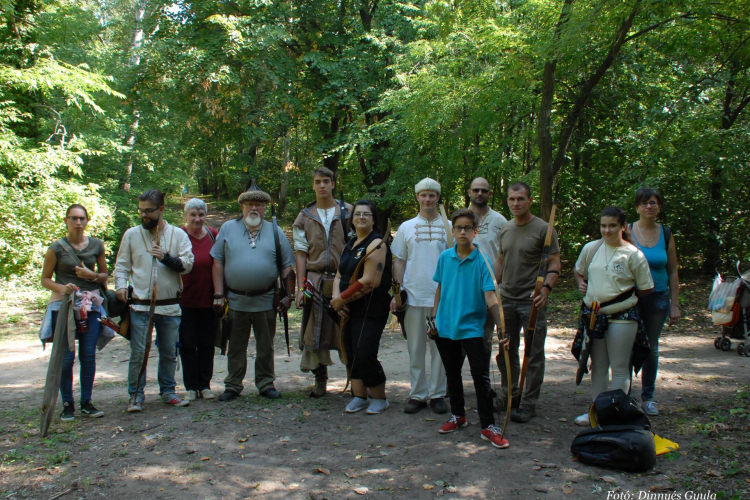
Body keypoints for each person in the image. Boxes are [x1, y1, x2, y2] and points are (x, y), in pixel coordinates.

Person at [431, 208, 509, 449]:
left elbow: (490, 296)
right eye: (458, 228)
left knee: (480, 376)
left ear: (475, 232)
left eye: (467, 228)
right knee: (452, 373)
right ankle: (458, 416)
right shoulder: (445, 257)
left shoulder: (482, 260)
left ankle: (488, 426)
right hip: (445, 327)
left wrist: (500, 325)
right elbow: (440, 288)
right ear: (452, 231)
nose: (462, 231)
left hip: (473, 327)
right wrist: (433, 319)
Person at [211, 183, 295, 401]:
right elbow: (217, 261)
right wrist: (219, 294)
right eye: (250, 204)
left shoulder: (275, 231)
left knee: (265, 346)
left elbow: (287, 266)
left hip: (266, 299)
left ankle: (266, 383)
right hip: (236, 299)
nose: (254, 208)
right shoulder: (228, 228)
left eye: (259, 204)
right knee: (235, 346)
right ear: (242, 207)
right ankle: (233, 384)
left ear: (265, 207)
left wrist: (288, 295)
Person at [114, 190, 194, 412]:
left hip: (169, 305)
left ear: (161, 209)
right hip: (140, 305)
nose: (143, 215)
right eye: (141, 211)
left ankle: (168, 391)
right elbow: (121, 266)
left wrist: (166, 258)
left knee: (169, 351)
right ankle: (136, 396)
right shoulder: (131, 235)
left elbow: (188, 264)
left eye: (149, 211)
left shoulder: (178, 235)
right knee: (139, 352)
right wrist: (120, 286)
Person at [573, 206, 654, 426]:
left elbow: (646, 288)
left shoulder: (633, 254)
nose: (607, 230)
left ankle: (616, 415)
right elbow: (579, 270)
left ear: (623, 227)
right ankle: (598, 413)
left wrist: (623, 298)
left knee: (619, 366)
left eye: (612, 226)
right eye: (603, 225)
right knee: (598, 365)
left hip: (623, 317)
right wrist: (581, 284)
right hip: (594, 317)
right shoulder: (591, 248)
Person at [496, 182, 560, 423]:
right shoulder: (505, 228)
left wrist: (546, 289)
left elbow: (554, 264)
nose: (515, 203)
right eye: (512, 199)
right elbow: (501, 259)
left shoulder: (545, 229)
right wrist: (494, 286)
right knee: (505, 351)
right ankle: (509, 395)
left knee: (533, 354)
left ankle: (529, 403)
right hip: (507, 299)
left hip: (531, 302)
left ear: (530, 200)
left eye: (520, 199)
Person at [40, 204, 109, 421]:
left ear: (87, 220)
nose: (78, 223)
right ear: (66, 220)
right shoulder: (56, 248)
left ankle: (86, 402)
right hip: (64, 308)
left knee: (88, 355)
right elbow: (45, 279)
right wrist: (62, 288)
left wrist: (91, 275)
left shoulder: (97, 245)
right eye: (74, 219)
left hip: (90, 307)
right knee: (67, 357)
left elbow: (105, 276)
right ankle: (67, 404)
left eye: (82, 218)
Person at [390, 178, 449, 415]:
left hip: (441, 298)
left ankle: (437, 394)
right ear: (417, 197)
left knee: (440, 350)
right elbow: (400, 261)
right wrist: (397, 293)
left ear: (438, 198)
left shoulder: (449, 225)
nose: (427, 199)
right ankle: (417, 394)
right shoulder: (405, 227)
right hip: (413, 296)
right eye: (423, 195)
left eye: (432, 195)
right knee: (415, 349)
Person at [293, 167, 352, 398]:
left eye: (326, 181)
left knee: (347, 327)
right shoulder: (305, 216)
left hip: (344, 279)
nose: (322, 186)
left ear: (333, 183)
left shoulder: (348, 212)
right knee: (314, 329)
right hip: (314, 280)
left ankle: (354, 378)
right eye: (318, 182)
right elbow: (301, 254)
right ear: (313, 185)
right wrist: (301, 288)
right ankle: (320, 379)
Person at [330, 200, 392, 415]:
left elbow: (369, 281)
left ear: (374, 220)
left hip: (370, 309)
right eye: (357, 214)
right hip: (348, 309)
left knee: (365, 351)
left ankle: (379, 398)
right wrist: (336, 299)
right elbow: (339, 274)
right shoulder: (351, 244)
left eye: (367, 214)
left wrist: (342, 299)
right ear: (352, 219)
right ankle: (359, 396)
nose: (361, 217)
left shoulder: (377, 244)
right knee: (351, 351)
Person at [630, 188, 680, 416]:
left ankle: (647, 398)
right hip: (630, 298)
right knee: (626, 345)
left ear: (659, 206)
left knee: (651, 348)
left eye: (653, 203)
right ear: (637, 207)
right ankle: (625, 396)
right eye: (644, 203)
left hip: (658, 298)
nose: (648, 206)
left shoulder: (667, 233)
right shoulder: (627, 230)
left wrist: (675, 303)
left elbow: (673, 270)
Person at [179, 198, 219, 401]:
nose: (197, 218)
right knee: (187, 344)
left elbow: (221, 263)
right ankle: (190, 386)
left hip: (208, 300)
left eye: (201, 214)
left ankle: (205, 385)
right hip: (184, 300)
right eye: (193, 215)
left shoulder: (213, 235)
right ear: (185, 216)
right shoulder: (179, 235)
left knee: (206, 344)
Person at [467, 177, 507, 355]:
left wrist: (496, 282)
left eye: (484, 190)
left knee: (484, 340)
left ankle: (482, 382)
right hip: (464, 289)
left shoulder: (500, 221)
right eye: (476, 190)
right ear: (469, 192)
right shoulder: (460, 219)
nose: (479, 193)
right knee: (459, 343)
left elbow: (505, 255)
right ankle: (455, 383)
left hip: (490, 289)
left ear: (490, 193)